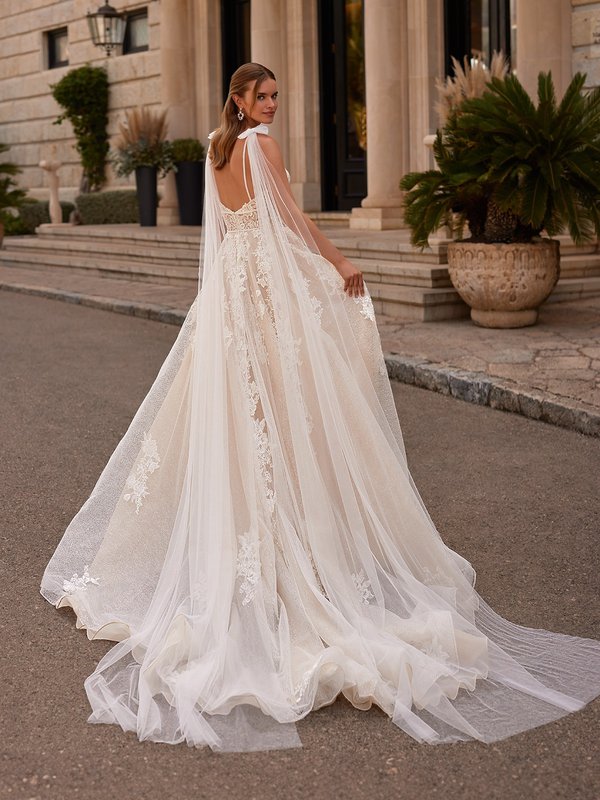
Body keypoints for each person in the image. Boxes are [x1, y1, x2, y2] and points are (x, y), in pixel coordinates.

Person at [40, 63, 600, 753]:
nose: (272, 103)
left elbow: (227, 240)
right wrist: (337, 263)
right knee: (286, 423)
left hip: (229, 310)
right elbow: (291, 222)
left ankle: (256, 551)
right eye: (263, 95)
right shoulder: (257, 145)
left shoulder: (215, 152)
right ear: (240, 101)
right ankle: (293, 561)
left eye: (276, 94)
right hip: (261, 306)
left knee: (245, 430)